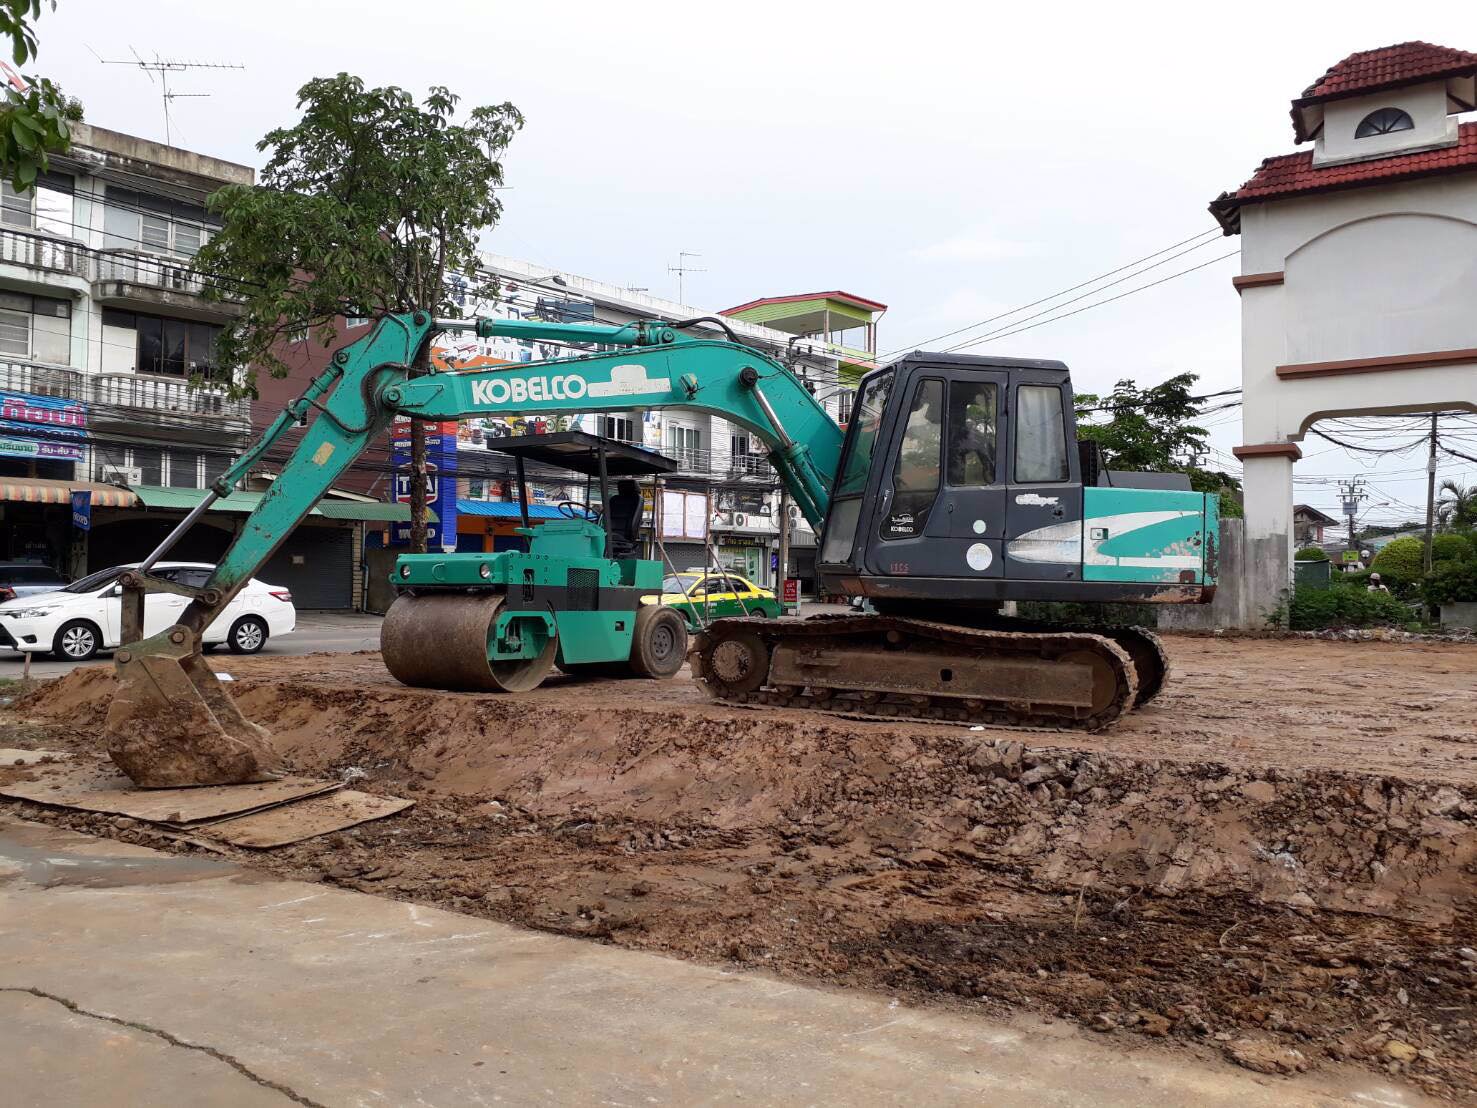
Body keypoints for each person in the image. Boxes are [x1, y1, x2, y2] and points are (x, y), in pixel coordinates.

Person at [606, 479, 642, 559]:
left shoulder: (636, 500)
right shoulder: (614, 500)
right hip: (608, 533)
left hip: (623, 537)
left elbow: (633, 525)